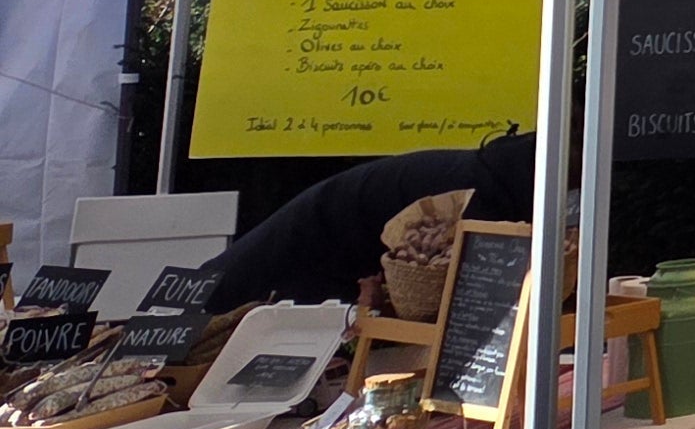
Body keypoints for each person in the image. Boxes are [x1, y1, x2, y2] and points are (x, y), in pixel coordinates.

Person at [203, 128, 539, 312]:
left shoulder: (499, 178)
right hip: (327, 230)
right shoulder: (489, 195)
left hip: (345, 231)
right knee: (224, 296)